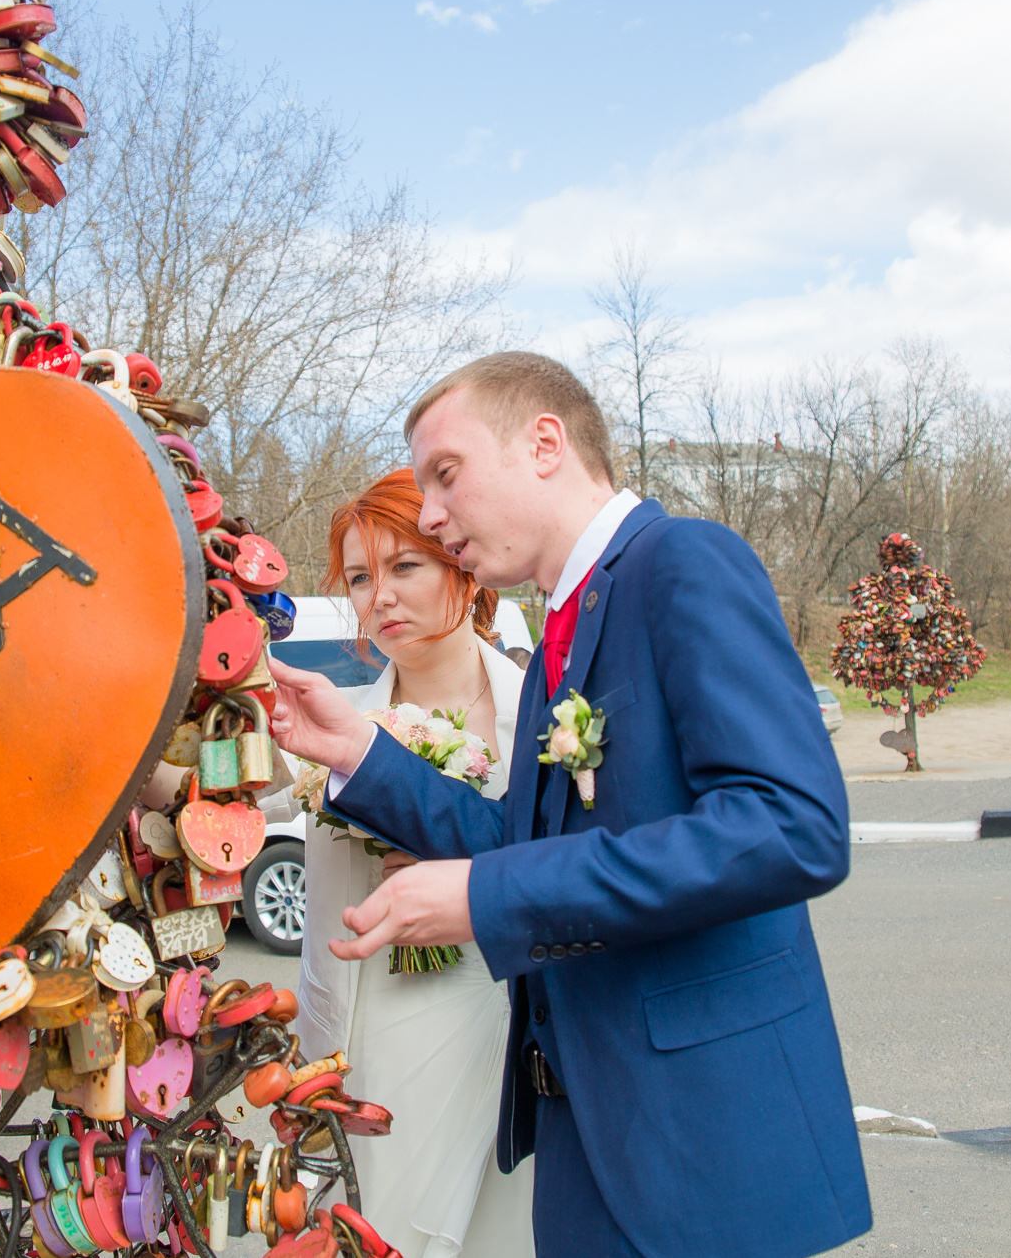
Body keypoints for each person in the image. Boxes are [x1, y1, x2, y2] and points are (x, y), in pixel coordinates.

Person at [269, 352, 871, 1258]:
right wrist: (361, 752)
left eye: (446, 474)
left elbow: (791, 825)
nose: (431, 513)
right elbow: (521, 842)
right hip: (589, 1131)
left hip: (699, 1139)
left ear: (544, 443)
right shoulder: (559, 635)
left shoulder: (681, 564)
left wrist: (484, 899)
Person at [298, 468, 535, 1258]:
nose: (381, 596)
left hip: (511, 1011)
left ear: (461, 564)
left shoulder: (538, 712)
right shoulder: (337, 724)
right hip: (381, 1022)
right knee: (384, 1221)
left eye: (405, 566)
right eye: (361, 577)